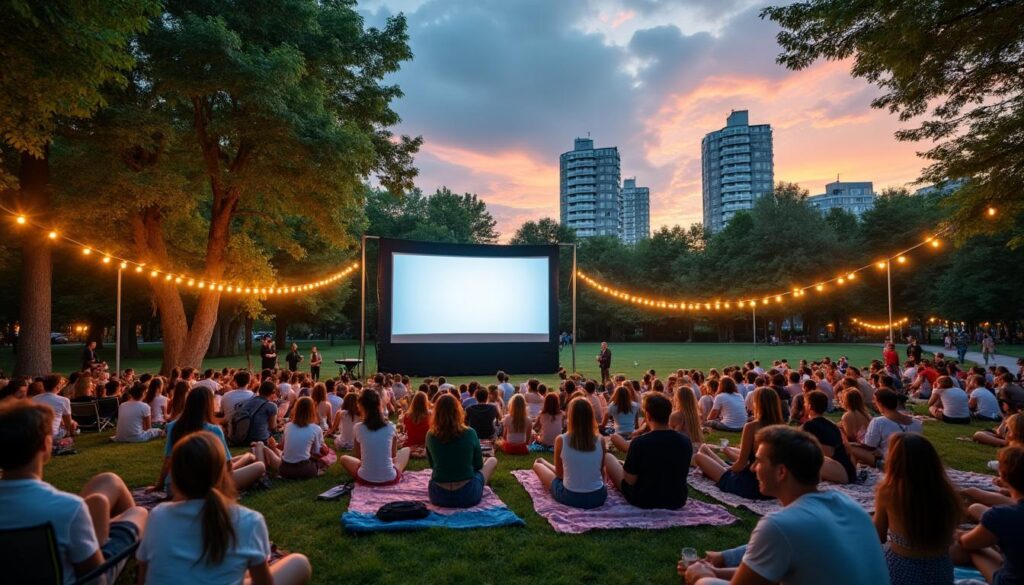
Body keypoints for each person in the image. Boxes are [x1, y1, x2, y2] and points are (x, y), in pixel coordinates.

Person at [681, 427, 890, 585]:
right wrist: (723, 561)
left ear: (781, 472)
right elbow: (775, 560)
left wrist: (701, 575)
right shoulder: (847, 506)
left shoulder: (779, 524)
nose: (753, 468)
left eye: (759, 461)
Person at [0, 402, 148, 585]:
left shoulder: (66, 508)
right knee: (139, 512)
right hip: (83, 576)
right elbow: (96, 579)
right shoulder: (67, 508)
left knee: (108, 480)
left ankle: (91, 532)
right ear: (46, 445)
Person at [137, 431, 311, 585]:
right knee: (299, 563)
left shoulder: (157, 516)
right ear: (223, 473)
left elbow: (143, 577)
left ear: (175, 476)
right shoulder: (249, 521)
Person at [874, 433, 962, 585]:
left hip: (901, 571)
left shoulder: (888, 491)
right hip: (941, 572)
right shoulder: (947, 492)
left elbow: (878, 536)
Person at [155, 387, 266, 494]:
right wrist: (243, 462)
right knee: (260, 466)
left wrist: (159, 485)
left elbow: (168, 459)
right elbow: (227, 467)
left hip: (173, 488)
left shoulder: (173, 426)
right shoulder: (213, 430)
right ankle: (249, 457)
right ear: (209, 405)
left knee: (247, 457)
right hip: (202, 488)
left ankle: (248, 456)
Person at [693, 388, 784, 500]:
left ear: (758, 404)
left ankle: (721, 465)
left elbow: (742, 463)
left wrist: (728, 470)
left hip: (751, 486)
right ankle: (720, 462)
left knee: (698, 457)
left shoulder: (751, 427)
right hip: (774, 487)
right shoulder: (784, 429)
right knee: (708, 452)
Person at [605, 393, 692, 509]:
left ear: (648, 416)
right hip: (676, 499)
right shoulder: (685, 441)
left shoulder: (640, 443)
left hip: (644, 499)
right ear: (669, 414)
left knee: (608, 458)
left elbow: (629, 481)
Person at [953, 445, 1024, 585]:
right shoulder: (1002, 515)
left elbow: (967, 542)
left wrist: (958, 534)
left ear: (1003, 476)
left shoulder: (1002, 516)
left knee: (974, 549)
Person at [531, 397, 607, 509]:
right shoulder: (601, 440)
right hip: (598, 497)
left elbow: (560, 475)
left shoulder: (561, 440)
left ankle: (541, 462)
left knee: (537, 465)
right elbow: (601, 472)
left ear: (571, 417)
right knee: (545, 465)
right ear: (591, 416)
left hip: (570, 497)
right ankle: (544, 462)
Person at [426, 394, 499, 508]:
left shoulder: (430, 435)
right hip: (467, 495)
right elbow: (478, 465)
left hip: (438, 495)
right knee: (492, 460)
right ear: (458, 411)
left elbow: (432, 465)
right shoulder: (470, 433)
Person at [338, 389, 411, 485]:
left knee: (343, 458)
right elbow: (393, 456)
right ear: (379, 405)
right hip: (390, 478)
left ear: (360, 406)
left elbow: (358, 456)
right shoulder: (390, 426)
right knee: (406, 450)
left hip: (365, 478)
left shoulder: (358, 427)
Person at [253, 397, 331, 479]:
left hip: (285, 470)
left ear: (296, 409)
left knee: (262, 447)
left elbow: (282, 447)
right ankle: (318, 470)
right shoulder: (316, 428)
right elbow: (317, 452)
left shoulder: (288, 426)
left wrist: (274, 445)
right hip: (306, 470)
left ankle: (262, 474)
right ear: (312, 410)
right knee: (327, 458)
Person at [848, 389, 923, 468]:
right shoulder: (916, 423)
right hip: (912, 463)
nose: (873, 403)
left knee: (851, 447)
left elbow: (869, 445)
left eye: (875, 401)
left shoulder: (878, 421)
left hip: (891, 465)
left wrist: (861, 437)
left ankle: (850, 472)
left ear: (880, 403)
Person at [801, 391, 855, 484]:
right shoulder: (832, 425)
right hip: (849, 469)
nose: (804, 405)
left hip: (838, 470)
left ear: (809, 406)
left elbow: (828, 452)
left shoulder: (809, 426)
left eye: (805, 403)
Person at [236, 381, 280, 445]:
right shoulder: (271, 406)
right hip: (260, 438)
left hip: (244, 437)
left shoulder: (248, 401)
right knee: (279, 435)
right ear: (273, 392)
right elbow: (272, 427)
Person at [32, 374, 75, 439]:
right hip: (54, 435)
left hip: (37, 434)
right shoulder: (64, 400)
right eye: (62, 384)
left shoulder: (34, 398)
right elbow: (68, 421)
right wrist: (68, 431)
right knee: (74, 424)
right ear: (58, 386)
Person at [668, 383, 704, 447]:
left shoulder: (676, 415)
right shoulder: (696, 415)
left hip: (681, 448)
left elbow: (669, 436)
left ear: (678, 399)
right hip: (695, 446)